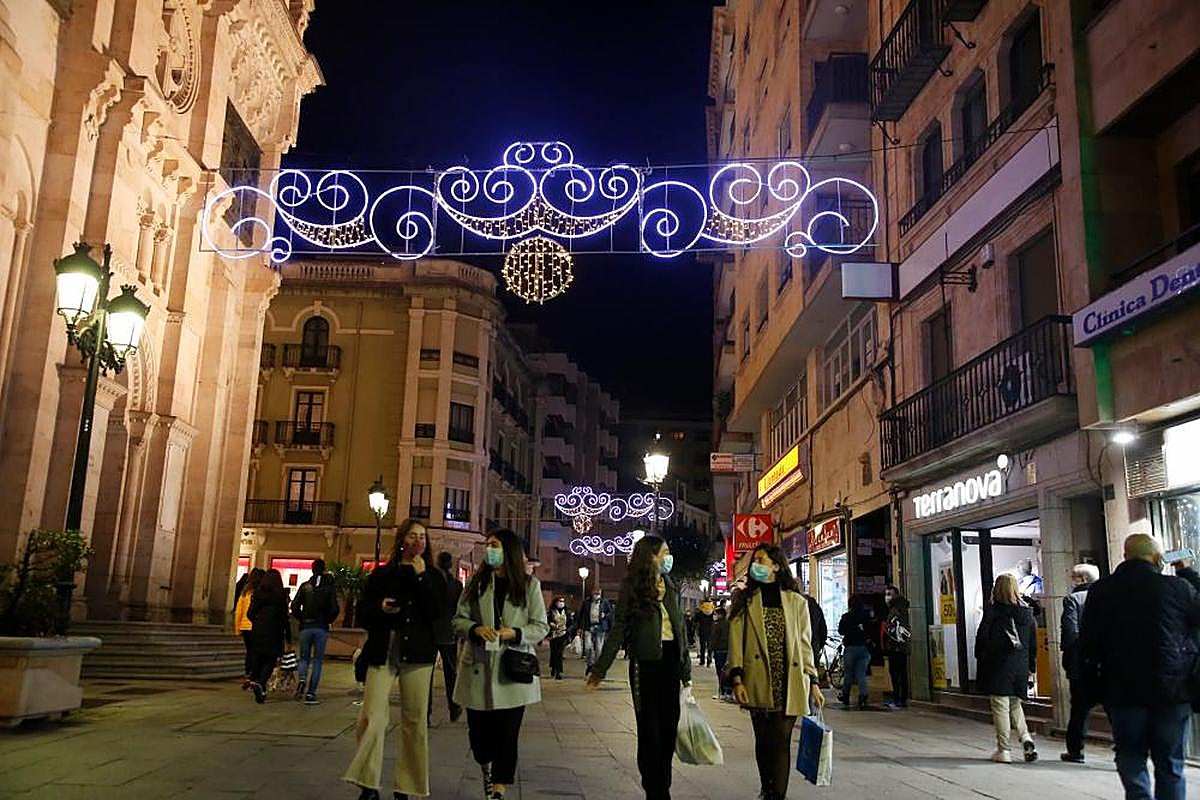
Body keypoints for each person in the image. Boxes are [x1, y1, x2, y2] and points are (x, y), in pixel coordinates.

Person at [1080, 534, 1200, 799]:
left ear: (1125, 556)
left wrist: (1093, 686)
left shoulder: (1101, 590)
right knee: (1171, 763)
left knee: (1130, 756)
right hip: (1172, 691)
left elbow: (1088, 642)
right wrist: (1187, 571)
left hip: (1123, 691)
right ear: (1158, 559)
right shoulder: (1177, 588)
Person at [343, 519, 447, 800]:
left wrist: (422, 577)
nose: (418, 541)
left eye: (422, 536)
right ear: (402, 540)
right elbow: (363, 613)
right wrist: (380, 608)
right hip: (383, 651)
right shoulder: (381, 575)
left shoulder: (435, 577)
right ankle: (368, 783)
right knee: (371, 717)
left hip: (418, 654)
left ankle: (407, 786)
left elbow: (437, 612)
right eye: (412, 536)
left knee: (415, 721)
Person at [587, 535, 691, 800]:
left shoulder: (671, 585)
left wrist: (686, 670)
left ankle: (662, 786)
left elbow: (680, 631)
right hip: (645, 666)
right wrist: (600, 668)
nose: (669, 558)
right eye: (664, 552)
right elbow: (618, 628)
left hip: (670, 664)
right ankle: (654, 790)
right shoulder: (631, 588)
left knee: (668, 730)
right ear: (651, 557)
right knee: (649, 732)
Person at [453, 530, 548, 800]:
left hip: (511, 670)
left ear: (509, 550)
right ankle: (486, 769)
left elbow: (540, 626)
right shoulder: (477, 582)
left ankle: (499, 788)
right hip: (478, 667)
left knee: (508, 735)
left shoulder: (529, 586)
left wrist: (514, 633)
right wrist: (474, 629)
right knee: (480, 736)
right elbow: (458, 620)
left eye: (494, 545)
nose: (489, 550)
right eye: (487, 546)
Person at [728, 544, 823, 800]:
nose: (755, 564)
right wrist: (736, 679)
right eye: (754, 561)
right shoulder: (744, 600)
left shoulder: (797, 602)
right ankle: (767, 787)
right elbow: (736, 642)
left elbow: (805, 644)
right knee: (763, 739)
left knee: (781, 739)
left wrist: (813, 680)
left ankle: (776, 795)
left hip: (789, 679)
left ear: (777, 566)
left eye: (761, 560)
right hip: (757, 679)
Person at [975, 573, 1038, 764]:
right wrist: (1030, 667)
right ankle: (1026, 737)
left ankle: (1004, 750)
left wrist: (981, 656)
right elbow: (1032, 644)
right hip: (1020, 665)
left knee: (1000, 705)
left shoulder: (994, 611)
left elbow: (982, 638)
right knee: (1014, 703)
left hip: (998, 664)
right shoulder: (1027, 613)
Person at [1060, 563, 1099, 763]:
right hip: (1105, 662)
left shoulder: (1073, 600)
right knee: (1112, 706)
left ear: (1081, 580)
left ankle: (1076, 750)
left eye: (1073, 577)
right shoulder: (1106, 597)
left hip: (1081, 664)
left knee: (1079, 709)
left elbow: (1070, 633)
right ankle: (1123, 745)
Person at [290, 558, 340, 704]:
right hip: (321, 627)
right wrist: (328, 620)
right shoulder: (329, 588)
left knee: (304, 658)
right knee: (317, 661)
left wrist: (302, 618)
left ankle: (302, 679)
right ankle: (311, 693)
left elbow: (294, 606)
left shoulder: (305, 586)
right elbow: (335, 608)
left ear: (312, 570)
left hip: (306, 626)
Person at [247, 568, 291, 704]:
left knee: (258, 657)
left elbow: (250, 613)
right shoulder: (281, 595)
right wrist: (288, 635)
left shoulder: (258, 594)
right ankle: (261, 683)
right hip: (275, 630)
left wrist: (257, 621)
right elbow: (285, 616)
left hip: (259, 629)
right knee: (270, 659)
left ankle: (258, 683)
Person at [430, 551, 464, 723]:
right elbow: (460, 610)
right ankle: (454, 706)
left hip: (430, 632)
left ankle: (426, 712)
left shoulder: (431, 582)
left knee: (427, 674)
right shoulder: (457, 585)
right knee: (451, 672)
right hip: (449, 632)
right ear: (451, 564)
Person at [837, 595, 874, 709]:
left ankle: (846, 695)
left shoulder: (846, 617)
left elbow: (841, 631)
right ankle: (863, 696)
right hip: (863, 648)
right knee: (861, 674)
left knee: (848, 673)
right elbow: (871, 631)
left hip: (850, 648)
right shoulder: (866, 616)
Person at [883, 584, 912, 710]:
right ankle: (902, 698)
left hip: (895, 646)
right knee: (902, 673)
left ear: (895, 595)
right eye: (886, 594)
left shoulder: (895, 610)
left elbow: (891, 629)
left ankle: (897, 698)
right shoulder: (904, 608)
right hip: (903, 646)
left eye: (889, 594)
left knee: (895, 673)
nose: (887, 597)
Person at [234, 567, 264, 685]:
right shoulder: (260, 592)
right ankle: (254, 673)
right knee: (256, 651)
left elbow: (239, 611)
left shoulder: (245, 592)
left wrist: (237, 628)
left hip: (245, 626)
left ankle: (248, 671)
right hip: (256, 626)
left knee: (249, 650)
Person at [578, 587, 613, 672]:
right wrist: (580, 627)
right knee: (587, 647)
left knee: (599, 648)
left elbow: (611, 612)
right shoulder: (586, 602)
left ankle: (597, 666)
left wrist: (605, 615)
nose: (596, 595)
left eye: (598, 594)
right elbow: (581, 614)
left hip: (600, 627)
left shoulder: (604, 602)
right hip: (589, 626)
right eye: (595, 593)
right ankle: (590, 664)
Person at [547, 596, 574, 679]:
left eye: (562, 601)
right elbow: (547, 621)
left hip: (563, 634)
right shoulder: (551, 612)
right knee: (554, 652)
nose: (561, 603)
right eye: (559, 601)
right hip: (553, 635)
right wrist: (551, 624)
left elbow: (570, 623)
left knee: (559, 653)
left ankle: (559, 671)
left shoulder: (566, 612)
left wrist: (569, 632)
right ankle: (554, 667)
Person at [711, 606, 732, 701]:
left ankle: (722, 692)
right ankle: (729, 692)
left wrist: (710, 650)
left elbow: (714, 639)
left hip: (719, 650)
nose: (714, 615)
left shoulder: (717, 625)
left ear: (720, 615)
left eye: (715, 613)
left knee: (720, 672)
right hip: (728, 650)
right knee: (728, 672)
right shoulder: (730, 624)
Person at [695, 601, 715, 667]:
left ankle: (702, 661)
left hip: (702, 632)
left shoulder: (700, 613)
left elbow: (695, 621)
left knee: (702, 648)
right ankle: (709, 662)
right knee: (710, 648)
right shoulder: (713, 612)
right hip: (711, 632)